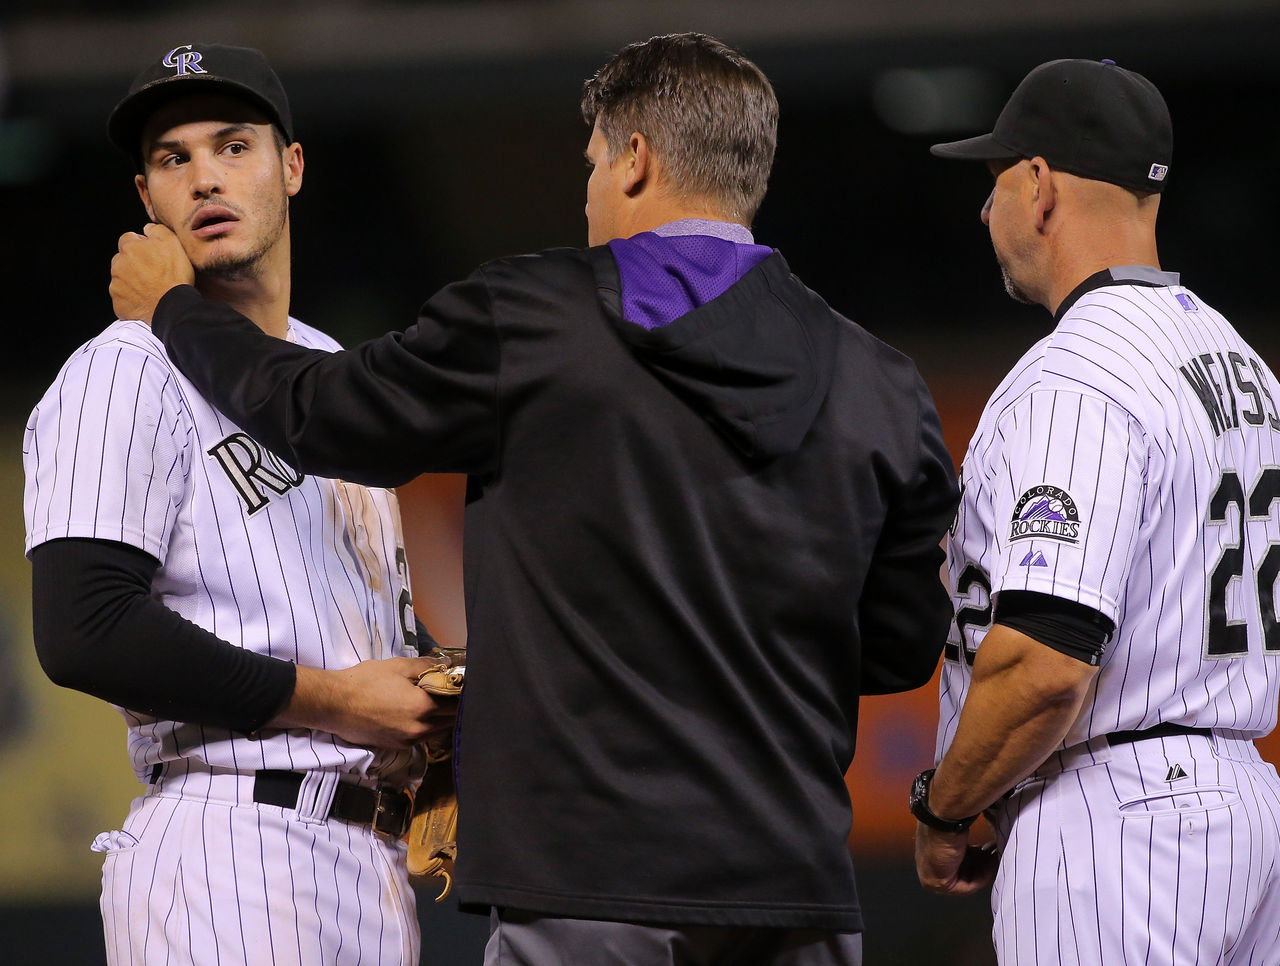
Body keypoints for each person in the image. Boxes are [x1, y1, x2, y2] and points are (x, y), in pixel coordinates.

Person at [110, 33, 958, 966]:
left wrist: (174, 311)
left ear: (635, 159)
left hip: (584, 878)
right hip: (796, 885)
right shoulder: (883, 382)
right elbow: (901, 644)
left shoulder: (536, 318)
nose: (589, 190)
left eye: (593, 163)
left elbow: (320, 414)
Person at [24, 43, 453, 966]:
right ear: (147, 197)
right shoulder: (120, 371)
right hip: (225, 848)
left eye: (232, 145)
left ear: (291, 167)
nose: (205, 177)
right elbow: (82, 629)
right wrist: (340, 701)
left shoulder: (328, 372)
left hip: (370, 862)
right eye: (174, 158)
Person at [912, 58, 1280, 964]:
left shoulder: (1078, 374)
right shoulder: (1241, 365)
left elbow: (1045, 659)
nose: (986, 211)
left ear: (1039, 186)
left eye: (994, 182)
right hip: (1244, 802)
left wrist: (947, 805)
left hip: (1119, 821)